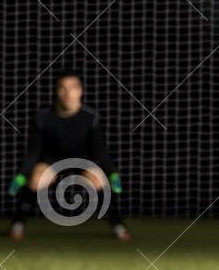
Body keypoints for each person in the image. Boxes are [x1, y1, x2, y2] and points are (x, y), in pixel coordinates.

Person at [7, 72, 130, 241]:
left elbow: (100, 149)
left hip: (83, 160)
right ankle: (17, 224)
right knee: (36, 179)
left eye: (72, 88)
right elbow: (33, 152)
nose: (68, 93)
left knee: (98, 180)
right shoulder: (43, 118)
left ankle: (118, 226)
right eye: (63, 88)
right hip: (52, 160)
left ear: (80, 91)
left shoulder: (90, 117)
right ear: (56, 92)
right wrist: (22, 175)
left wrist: (112, 173)